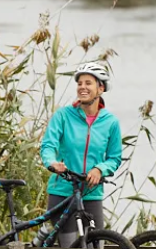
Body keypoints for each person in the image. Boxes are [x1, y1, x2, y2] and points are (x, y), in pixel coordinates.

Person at [41, 60, 122, 233]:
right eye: (79, 83)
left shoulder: (111, 122)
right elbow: (48, 145)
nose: (82, 87)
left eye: (88, 83)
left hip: (92, 193)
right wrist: (52, 163)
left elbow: (114, 158)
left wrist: (100, 169)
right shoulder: (63, 116)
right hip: (62, 190)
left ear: (101, 89)